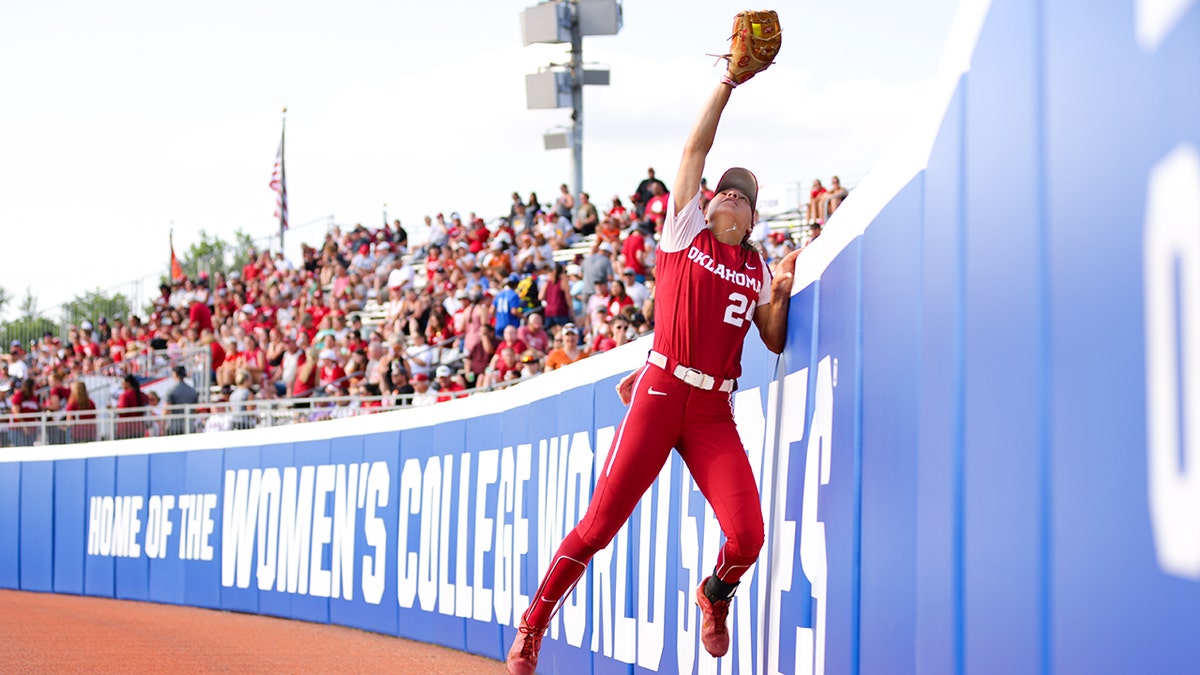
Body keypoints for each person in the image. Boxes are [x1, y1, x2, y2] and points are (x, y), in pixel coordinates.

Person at [508, 55, 801, 674]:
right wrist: (727, 84)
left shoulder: (755, 268)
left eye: (744, 195)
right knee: (598, 526)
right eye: (727, 185)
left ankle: (714, 595)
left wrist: (779, 295)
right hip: (662, 389)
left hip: (712, 409)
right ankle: (535, 623)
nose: (731, 192)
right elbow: (696, 147)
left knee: (748, 536)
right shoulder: (683, 232)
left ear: (751, 221)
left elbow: (773, 341)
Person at [165, 365, 199, 435]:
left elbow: (166, 409)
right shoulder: (192, 390)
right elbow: (195, 409)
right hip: (190, 425)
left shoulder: (171, 390)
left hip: (175, 426)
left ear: (175, 374)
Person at [115, 374, 148, 440]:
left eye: (123, 383)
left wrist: (114, 409)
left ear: (128, 383)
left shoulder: (125, 395)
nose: (122, 385)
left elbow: (122, 411)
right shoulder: (142, 394)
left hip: (126, 429)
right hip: (139, 428)